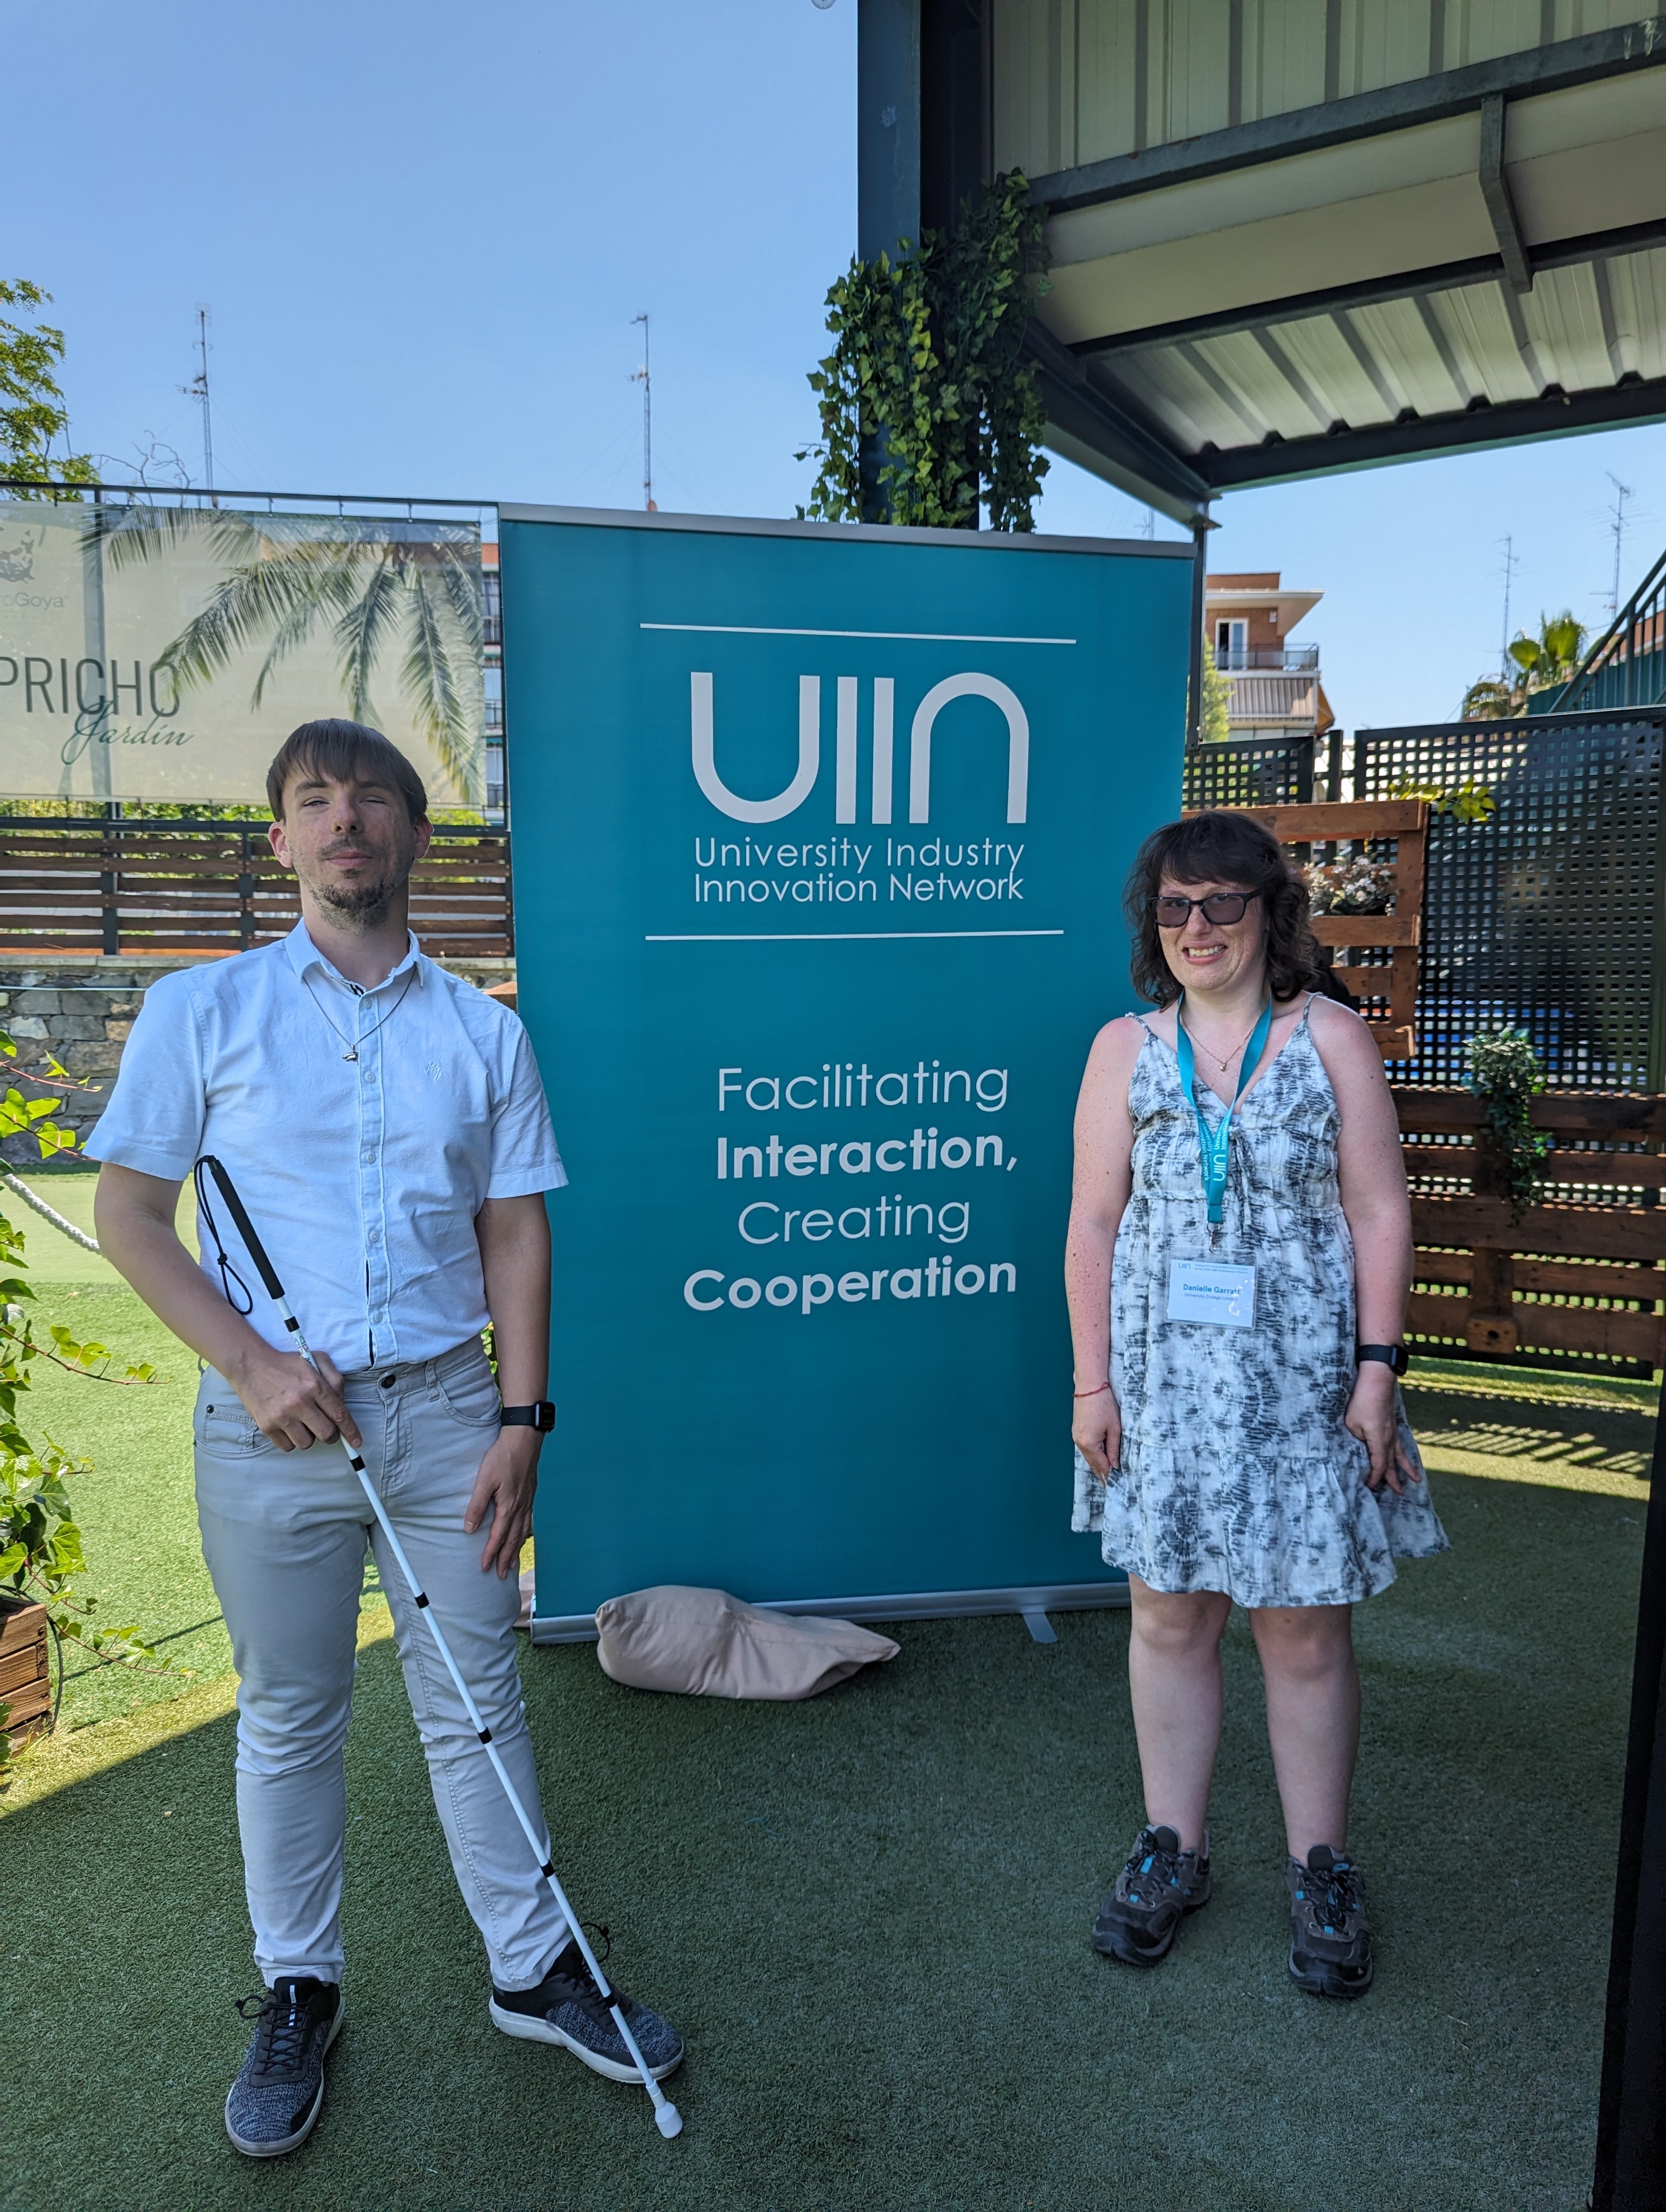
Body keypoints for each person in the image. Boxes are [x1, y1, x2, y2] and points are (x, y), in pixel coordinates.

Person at [91, 719, 683, 2158]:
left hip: (444, 1423)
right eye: (315, 802)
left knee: (476, 1691)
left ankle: (533, 1972)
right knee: (291, 1714)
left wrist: (523, 1419)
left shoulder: (484, 1029)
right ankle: (301, 1988)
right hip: (270, 1432)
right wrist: (246, 1363)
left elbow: (514, 1228)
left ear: (418, 838)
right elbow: (129, 1214)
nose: (345, 820)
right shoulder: (201, 1010)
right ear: (282, 841)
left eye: (372, 800)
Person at [1064, 808, 1446, 1999]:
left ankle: (1319, 1867)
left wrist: (1378, 1372)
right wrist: (1091, 1381)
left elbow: (1382, 1210)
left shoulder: (1330, 1036)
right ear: (1154, 921)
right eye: (1176, 906)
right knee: (1170, 1619)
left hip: (1306, 1399)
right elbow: (1091, 1221)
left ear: (1267, 913)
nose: (1198, 927)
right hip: (1164, 1397)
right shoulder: (1124, 1050)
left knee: (1303, 1630)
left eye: (1223, 903)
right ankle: (1171, 1849)